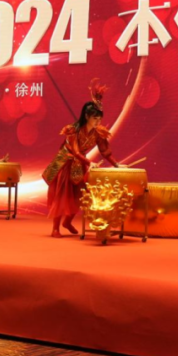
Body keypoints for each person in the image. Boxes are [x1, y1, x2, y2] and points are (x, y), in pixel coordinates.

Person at [42, 80, 117, 238]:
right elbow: (75, 152)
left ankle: (67, 222)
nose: (98, 122)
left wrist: (117, 165)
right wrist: (90, 163)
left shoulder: (98, 132)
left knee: (81, 196)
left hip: (80, 163)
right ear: (87, 116)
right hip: (65, 163)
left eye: (99, 119)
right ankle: (55, 228)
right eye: (95, 118)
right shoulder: (73, 130)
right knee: (62, 196)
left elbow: (105, 151)